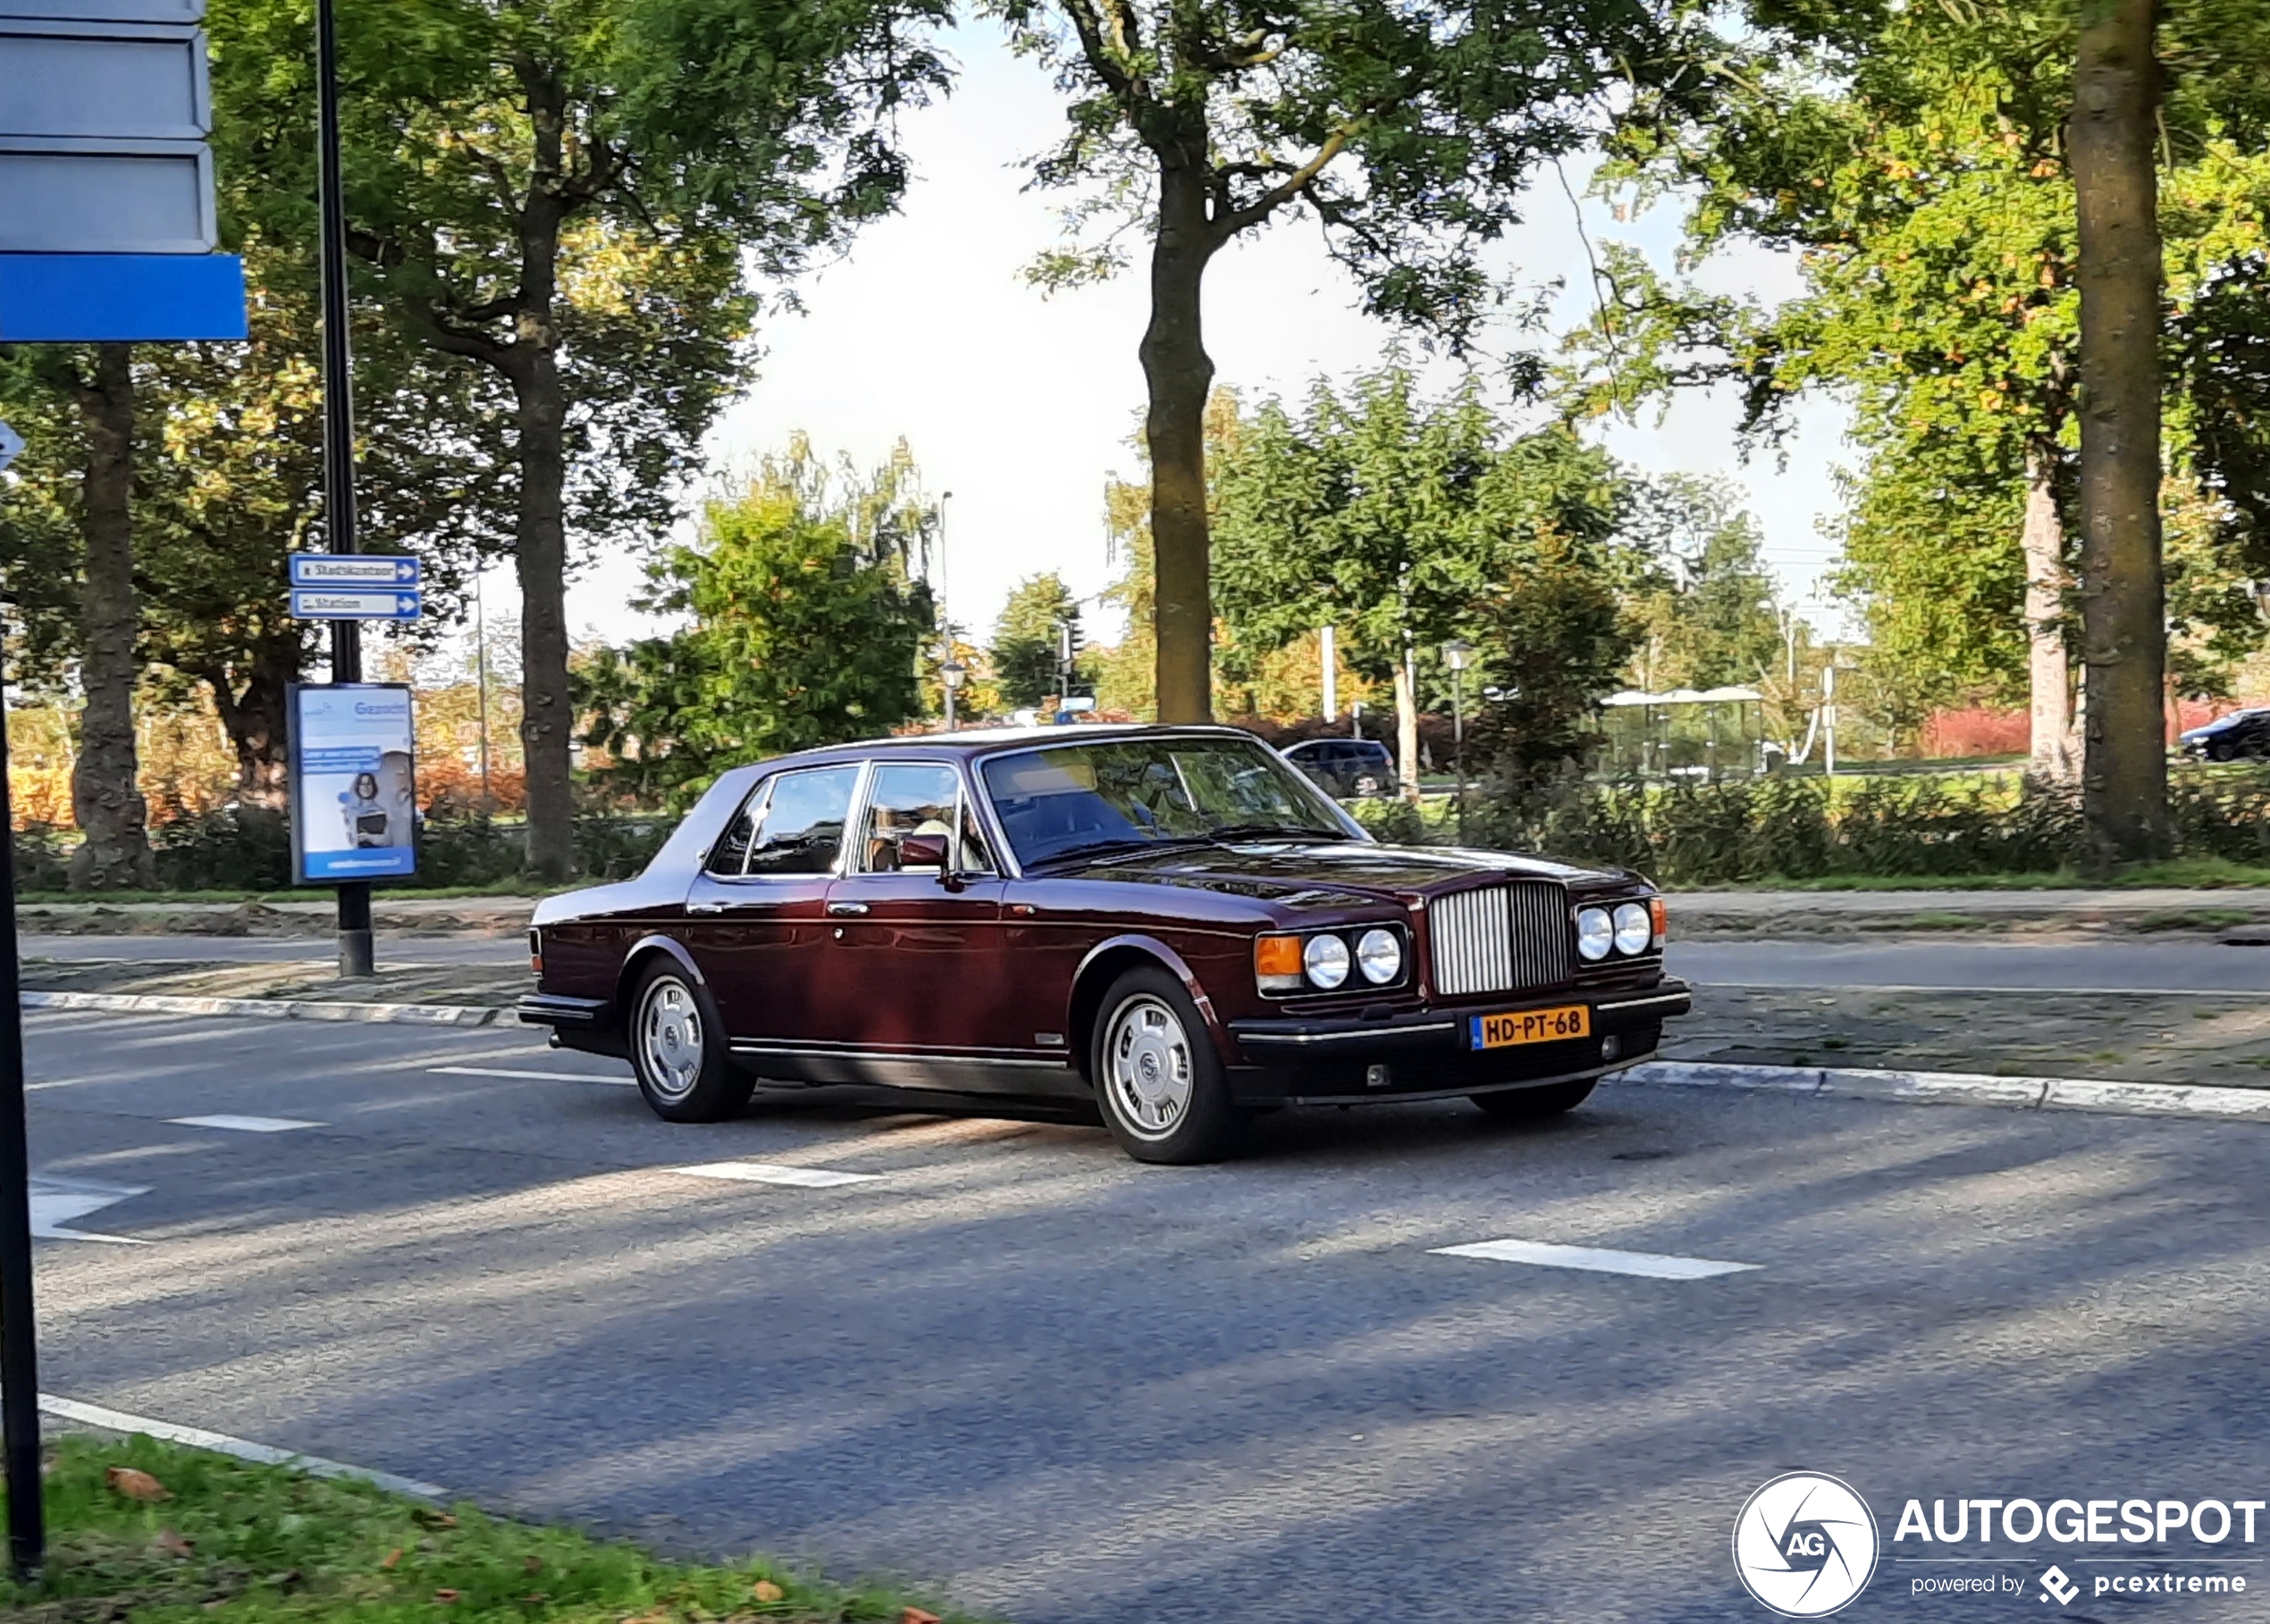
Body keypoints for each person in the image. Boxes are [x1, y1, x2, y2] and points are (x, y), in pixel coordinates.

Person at [341, 771, 390, 847]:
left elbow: (387, 839)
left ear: (373, 786)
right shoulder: (351, 812)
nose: (365, 787)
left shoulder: (381, 811)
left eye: (368, 784)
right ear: (358, 787)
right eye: (362, 784)